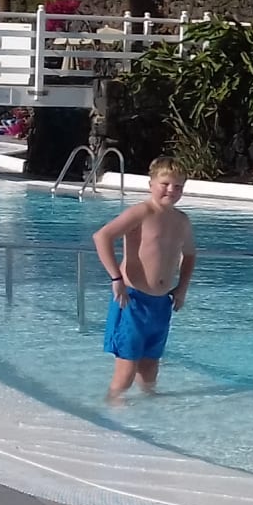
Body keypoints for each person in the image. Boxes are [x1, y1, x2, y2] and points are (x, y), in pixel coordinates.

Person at [93, 159, 196, 402]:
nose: (171, 190)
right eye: (165, 184)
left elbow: (190, 254)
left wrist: (182, 288)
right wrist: (116, 277)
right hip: (132, 300)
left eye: (178, 186)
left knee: (150, 368)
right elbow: (102, 237)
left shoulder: (182, 220)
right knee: (127, 369)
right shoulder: (141, 212)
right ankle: (113, 406)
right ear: (151, 185)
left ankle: (148, 410)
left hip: (161, 303)